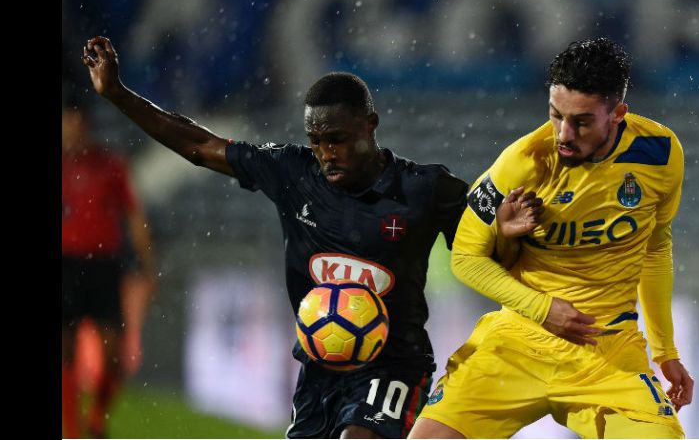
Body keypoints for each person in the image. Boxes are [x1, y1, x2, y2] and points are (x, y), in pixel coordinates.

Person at [81, 36, 468, 439]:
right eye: (315, 141)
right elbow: (199, 145)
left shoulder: (424, 188)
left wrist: (508, 233)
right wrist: (116, 94)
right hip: (320, 367)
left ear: (370, 125)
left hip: (394, 365)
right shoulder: (293, 172)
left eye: (335, 138)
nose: (325, 152)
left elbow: (490, 242)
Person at [409, 37, 695, 439]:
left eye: (581, 121)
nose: (563, 133)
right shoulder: (522, 162)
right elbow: (466, 258)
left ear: (618, 114)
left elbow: (655, 247)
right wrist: (543, 309)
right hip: (516, 344)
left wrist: (665, 351)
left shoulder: (661, 155)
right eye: (555, 115)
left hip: (608, 352)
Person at [62, 102, 157, 438]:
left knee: (112, 354)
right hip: (65, 264)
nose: (74, 130)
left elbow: (133, 215)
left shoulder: (110, 166)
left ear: (87, 126)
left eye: (78, 122)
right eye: (68, 123)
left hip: (104, 266)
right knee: (66, 351)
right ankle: (72, 431)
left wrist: (147, 265)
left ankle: (97, 416)